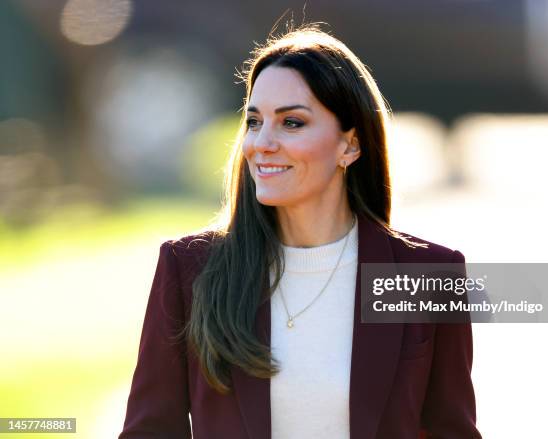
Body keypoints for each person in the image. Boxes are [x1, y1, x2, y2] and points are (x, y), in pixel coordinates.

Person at [119, 23, 481, 439]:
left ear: (350, 145)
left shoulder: (428, 276)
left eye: (291, 123)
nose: (262, 143)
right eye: (254, 122)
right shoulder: (189, 270)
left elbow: (451, 430)